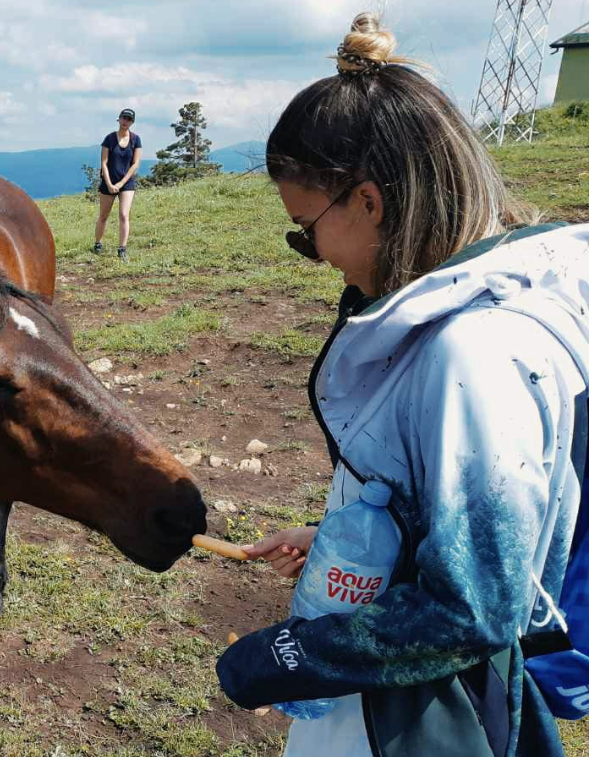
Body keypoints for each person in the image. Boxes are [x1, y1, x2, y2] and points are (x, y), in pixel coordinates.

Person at [215, 12, 588, 757]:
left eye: (302, 229)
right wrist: (341, 540)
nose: (311, 254)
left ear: (367, 201)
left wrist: (285, 655)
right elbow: (462, 518)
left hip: (414, 715)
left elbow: (470, 606)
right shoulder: (493, 309)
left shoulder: (472, 353)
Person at [92, 108, 142, 260]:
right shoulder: (109, 139)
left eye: (129, 119)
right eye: (124, 118)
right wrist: (109, 183)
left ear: (132, 122)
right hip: (108, 181)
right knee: (103, 216)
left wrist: (120, 184)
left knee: (124, 215)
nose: (126, 121)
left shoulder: (135, 139)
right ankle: (98, 244)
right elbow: (104, 163)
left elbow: (135, 164)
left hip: (126, 183)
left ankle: (122, 249)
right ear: (119, 119)